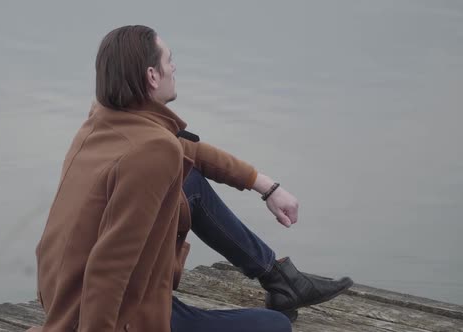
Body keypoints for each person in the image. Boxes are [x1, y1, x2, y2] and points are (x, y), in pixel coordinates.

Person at [28, 25, 352, 332]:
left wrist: (265, 186)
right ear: (152, 76)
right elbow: (111, 264)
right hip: (115, 315)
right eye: (170, 60)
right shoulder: (153, 150)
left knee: (191, 182)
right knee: (277, 326)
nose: (175, 68)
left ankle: (280, 278)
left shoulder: (105, 119)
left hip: (63, 293)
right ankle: (280, 283)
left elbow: (190, 151)